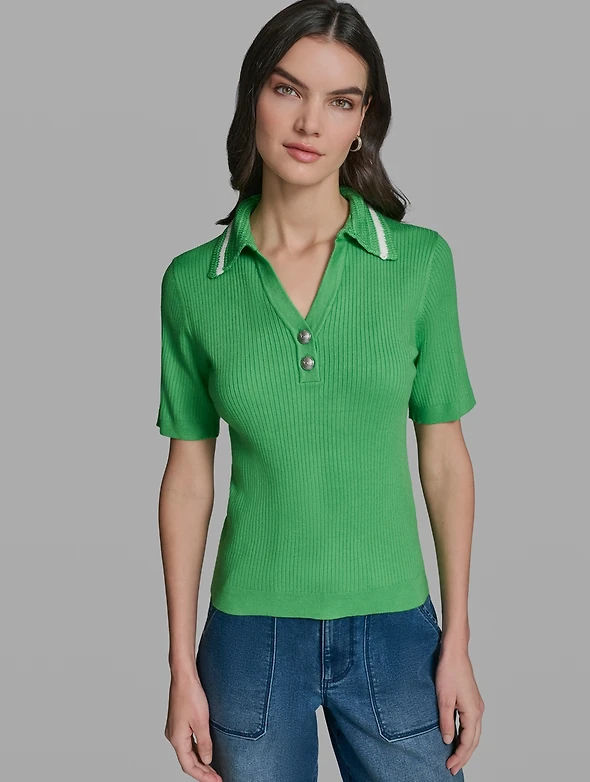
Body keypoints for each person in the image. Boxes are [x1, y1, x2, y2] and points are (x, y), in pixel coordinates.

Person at [156, 1, 484, 779]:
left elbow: (445, 460)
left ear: (364, 122)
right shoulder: (195, 284)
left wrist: (459, 641)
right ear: (254, 97)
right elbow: (189, 475)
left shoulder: (420, 265)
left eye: (340, 101)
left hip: (396, 632)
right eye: (287, 90)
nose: (310, 123)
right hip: (249, 641)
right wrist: (179, 665)